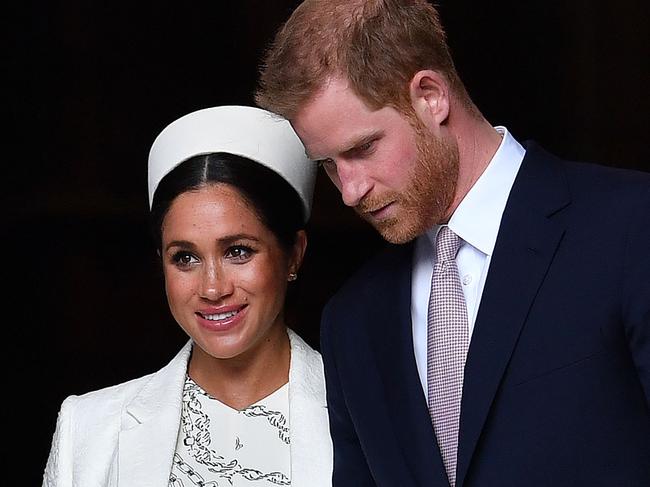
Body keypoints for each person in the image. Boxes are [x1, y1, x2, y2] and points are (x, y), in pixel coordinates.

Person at [253, 1, 650, 486]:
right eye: (329, 165)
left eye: (362, 148)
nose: (350, 190)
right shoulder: (352, 321)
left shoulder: (630, 227)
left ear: (431, 96)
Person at [42, 105, 333, 486]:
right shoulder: (90, 429)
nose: (213, 288)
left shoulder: (365, 416)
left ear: (294, 253)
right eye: (186, 257)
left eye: (238, 251)